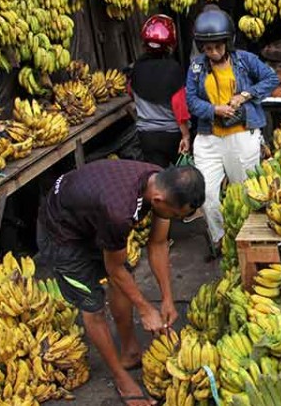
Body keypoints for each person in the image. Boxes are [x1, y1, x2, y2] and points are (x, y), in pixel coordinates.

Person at [37, 160, 205, 406]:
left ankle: (130, 351)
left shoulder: (160, 183)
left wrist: (167, 298)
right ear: (158, 201)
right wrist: (145, 309)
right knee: (93, 305)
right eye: (176, 215)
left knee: (124, 281)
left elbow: (158, 243)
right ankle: (121, 378)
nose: (177, 219)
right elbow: (113, 268)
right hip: (63, 233)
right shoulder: (119, 211)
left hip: (91, 215)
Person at [186, 7, 279, 256]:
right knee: (206, 194)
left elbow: (271, 78)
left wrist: (244, 96)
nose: (213, 52)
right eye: (207, 48)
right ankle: (220, 241)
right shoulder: (196, 68)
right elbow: (191, 101)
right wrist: (214, 109)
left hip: (242, 135)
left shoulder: (245, 60)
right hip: (209, 137)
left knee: (244, 191)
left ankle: (249, 243)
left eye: (218, 46)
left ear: (228, 42)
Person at [129, 14, 193, 167]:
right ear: (170, 45)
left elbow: (131, 93)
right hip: (172, 135)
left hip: (146, 135)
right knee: (178, 178)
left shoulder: (136, 68)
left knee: (158, 176)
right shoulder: (173, 69)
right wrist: (186, 135)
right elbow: (180, 108)